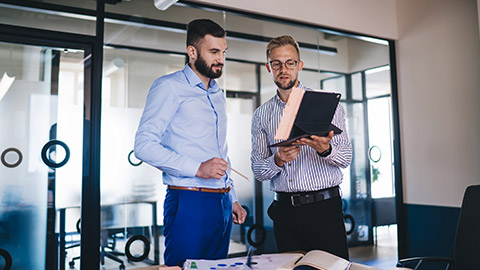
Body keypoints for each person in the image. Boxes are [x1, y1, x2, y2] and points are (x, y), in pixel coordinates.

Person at [135, 19, 246, 267]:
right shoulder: (169, 87)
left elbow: (220, 152)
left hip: (223, 202)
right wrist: (197, 168)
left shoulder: (218, 94)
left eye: (223, 52)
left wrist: (233, 196)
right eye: (214, 52)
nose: (221, 59)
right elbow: (143, 145)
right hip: (189, 201)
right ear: (192, 52)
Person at [250, 35, 352, 259]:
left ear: (300, 65)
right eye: (276, 63)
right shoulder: (261, 115)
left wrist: (325, 148)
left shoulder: (328, 104)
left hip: (325, 209)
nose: (283, 69)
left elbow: (345, 158)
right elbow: (258, 170)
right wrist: (277, 160)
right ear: (269, 67)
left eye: (290, 63)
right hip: (284, 213)